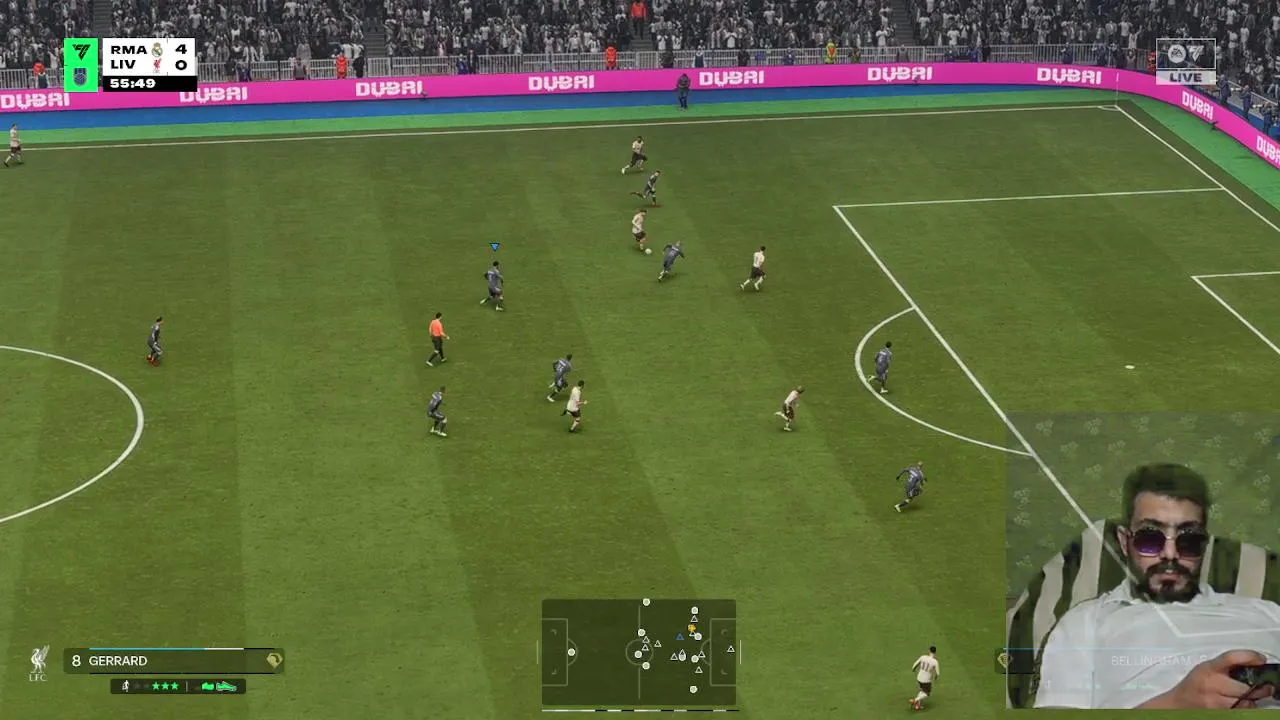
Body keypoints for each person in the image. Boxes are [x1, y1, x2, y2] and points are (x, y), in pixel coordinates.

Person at [1033, 463, 1280, 709]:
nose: (1170, 554)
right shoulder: (1086, 622)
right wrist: (1176, 704)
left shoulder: (1268, 612)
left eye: (1189, 540)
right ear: (1124, 541)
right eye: (1150, 538)